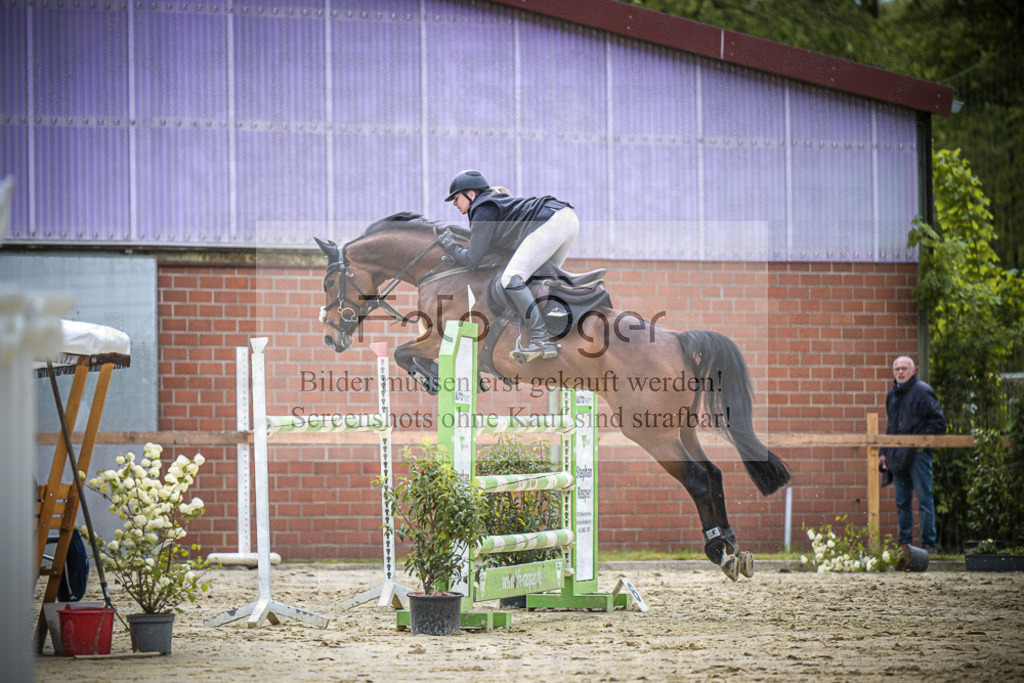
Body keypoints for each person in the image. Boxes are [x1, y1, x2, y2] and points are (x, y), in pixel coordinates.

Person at [437, 169, 580, 362]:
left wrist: (449, 245)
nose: (454, 203)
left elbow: (472, 260)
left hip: (552, 221)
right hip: (567, 219)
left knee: (510, 278)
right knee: (538, 280)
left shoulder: (482, 208)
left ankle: (541, 339)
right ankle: (560, 328)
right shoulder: (491, 205)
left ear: (471, 194)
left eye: (456, 197)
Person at [879, 355, 947, 553]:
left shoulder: (923, 392)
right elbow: (891, 427)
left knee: (925, 500)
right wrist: (884, 452)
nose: (900, 372)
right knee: (902, 502)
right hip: (897, 456)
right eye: (897, 369)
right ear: (893, 372)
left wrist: (919, 441)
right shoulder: (892, 395)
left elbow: (939, 423)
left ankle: (928, 545)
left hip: (918, 455)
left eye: (904, 368)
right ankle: (905, 545)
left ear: (913, 371)